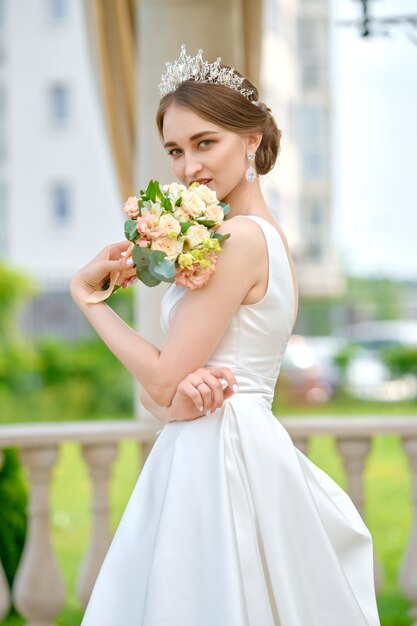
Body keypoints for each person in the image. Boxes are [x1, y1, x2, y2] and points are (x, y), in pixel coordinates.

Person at [70, 45, 381, 626]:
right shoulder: (266, 236)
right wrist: (176, 402)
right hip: (220, 439)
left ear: (251, 142)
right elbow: (163, 389)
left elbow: (161, 377)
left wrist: (89, 302)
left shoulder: (239, 239)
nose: (189, 167)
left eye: (204, 143)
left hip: (222, 458)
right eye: (175, 150)